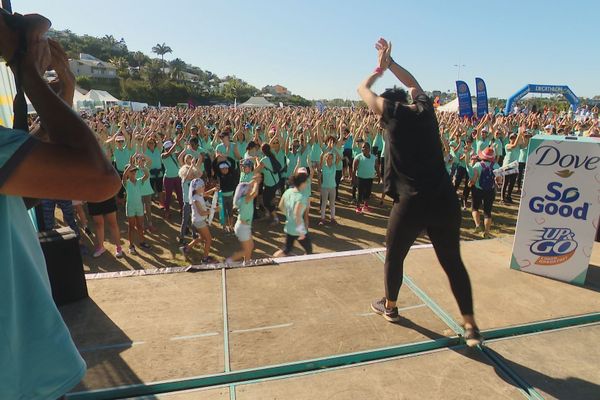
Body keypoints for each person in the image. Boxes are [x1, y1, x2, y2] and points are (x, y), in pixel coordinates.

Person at [0, 14, 121, 398]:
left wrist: (61, 94)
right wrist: (29, 76)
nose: (19, 22)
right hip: (18, 379)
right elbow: (100, 180)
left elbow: (22, 197)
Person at [357, 38, 481, 346]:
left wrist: (377, 68)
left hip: (411, 202)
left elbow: (362, 90)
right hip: (444, 199)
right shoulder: (426, 111)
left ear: (384, 110)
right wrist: (392, 63)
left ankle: (390, 307)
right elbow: (413, 83)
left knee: (394, 257)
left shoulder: (391, 114)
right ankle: (470, 326)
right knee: (453, 262)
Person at [273, 170, 313, 257]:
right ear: (302, 183)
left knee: (286, 250)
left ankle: (274, 258)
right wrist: (302, 232)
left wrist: (289, 215)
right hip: (298, 229)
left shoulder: (288, 191)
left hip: (289, 227)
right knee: (309, 250)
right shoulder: (302, 197)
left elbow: (281, 206)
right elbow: (297, 214)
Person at [179, 178, 217, 263]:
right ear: (197, 188)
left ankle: (186, 248)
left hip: (197, 220)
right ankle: (205, 258)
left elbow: (206, 194)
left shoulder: (198, 194)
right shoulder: (195, 199)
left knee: (202, 237)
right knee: (209, 239)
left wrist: (213, 189)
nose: (204, 187)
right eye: (202, 186)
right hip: (199, 221)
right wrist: (214, 210)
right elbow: (202, 213)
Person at [226, 176, 259, 264]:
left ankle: (247, 262)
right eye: (249, 189)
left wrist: (254, 179)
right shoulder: (246, 199)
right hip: (243, 228)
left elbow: (249, 186)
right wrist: (257, 182)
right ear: (245, 191)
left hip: (244, 227)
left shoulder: (244, 199)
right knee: (247, 250)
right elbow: (255, 192)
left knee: (250, 246)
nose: (250, 189)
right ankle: (230, 260)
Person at [469, 148, 501, 238]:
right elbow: (499, 180)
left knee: (475, 208)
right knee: (487, 212)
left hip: (478, 190)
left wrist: (470, 183)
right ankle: (486, 232)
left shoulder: (478, 165)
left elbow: (474, 180)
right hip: (490, 191)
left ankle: (478, 225)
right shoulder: (496, 166)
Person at [353, 141, 377, 214]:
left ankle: (365, 206)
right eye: (363, 147)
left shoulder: (374, 157)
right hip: (360, 178)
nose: (364, 148)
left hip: (369, 178)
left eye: (366, 147)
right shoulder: (358, 157)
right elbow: (354, 169)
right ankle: (358, 207)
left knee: (368, 193)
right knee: (360, 193)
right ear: (361, 149)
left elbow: (376, 167)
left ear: (369, 149)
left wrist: (379, 176)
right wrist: (353, 179)